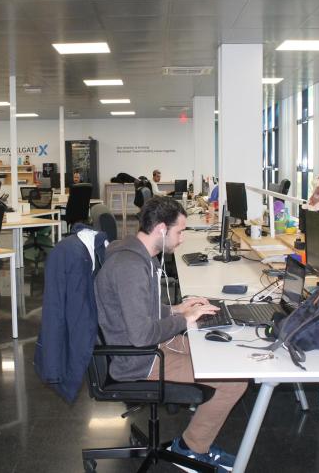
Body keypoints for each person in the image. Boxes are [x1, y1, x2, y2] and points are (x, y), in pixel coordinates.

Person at [95, 196, 247, 471]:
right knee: (234, 381)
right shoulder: (130, 267)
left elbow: (141, 310)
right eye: (180, 232)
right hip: (139, 359)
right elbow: (141, 335)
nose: (182, 239)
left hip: (148, 347)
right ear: (161, 229)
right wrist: (184, 320)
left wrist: (177, 309)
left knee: (219, 351)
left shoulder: (135, 254)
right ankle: (191, 450)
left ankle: (193, 443)